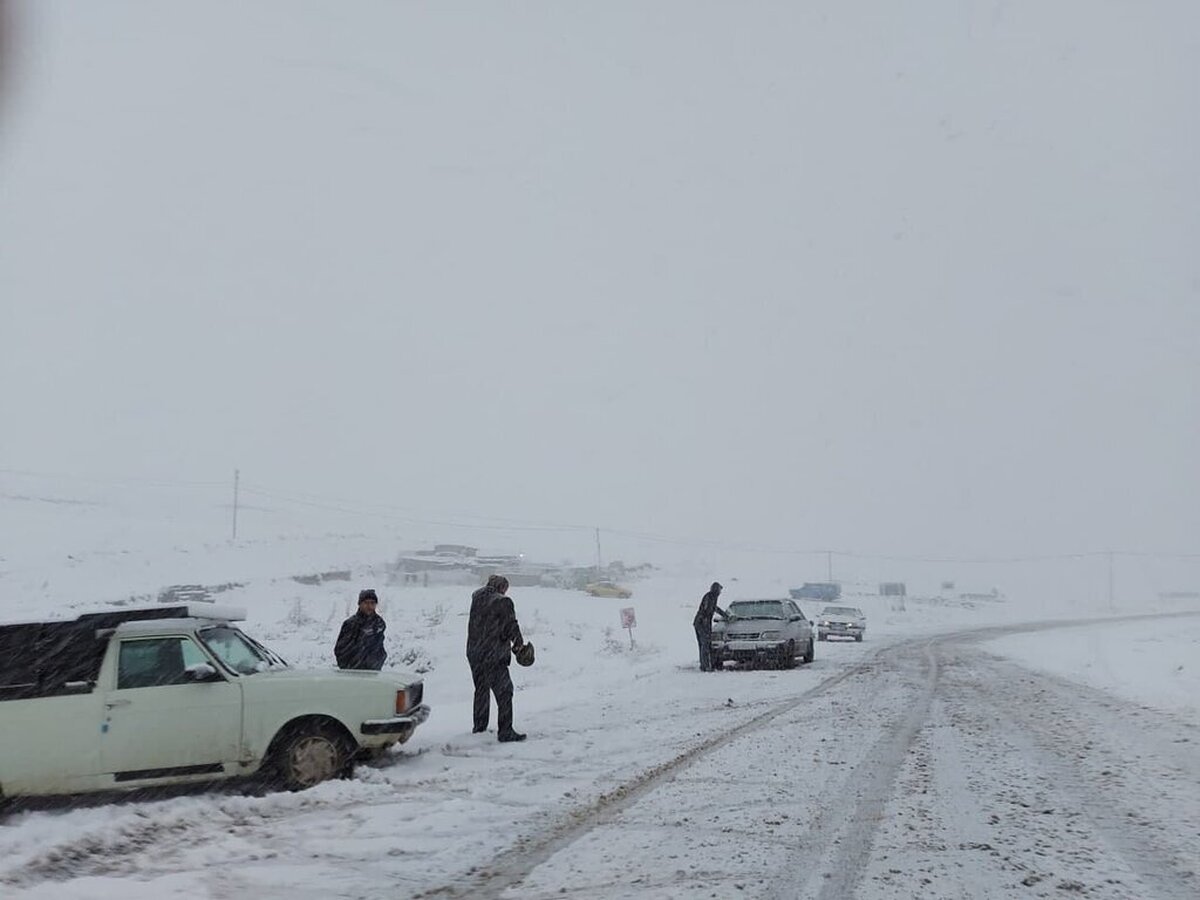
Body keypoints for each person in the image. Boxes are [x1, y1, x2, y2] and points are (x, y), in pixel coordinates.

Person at [466, 575, 527, 742]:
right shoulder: (503, 602)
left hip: (474, 652)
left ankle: (479, 728)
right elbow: (511, 626)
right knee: (505, 692)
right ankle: (505, 731)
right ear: (502, 587)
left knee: (481, 690)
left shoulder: (476, 597)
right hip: (493, 655)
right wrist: (519, 645)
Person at [334, 588, 387, 670]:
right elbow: (340, 649)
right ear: (360, 604)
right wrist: (348, 666)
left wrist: (378, 661)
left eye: (372, 603)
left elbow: (379, 647)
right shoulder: (350, 624)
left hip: (373, 671)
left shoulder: (379, 623)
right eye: (366, 603)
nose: (369, 606)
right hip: (351, 672)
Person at [693, 581, 728, 672]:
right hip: (701, 624)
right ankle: (705, 666)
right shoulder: (709, 597)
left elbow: (715, 608)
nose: (720, 592)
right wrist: (705, 623)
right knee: (705, 644)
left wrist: (725, 615)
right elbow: (706, 609)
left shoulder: (712, 597)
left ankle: (704, 665)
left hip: (701, 623)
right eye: (719, 590)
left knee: (704, 645)